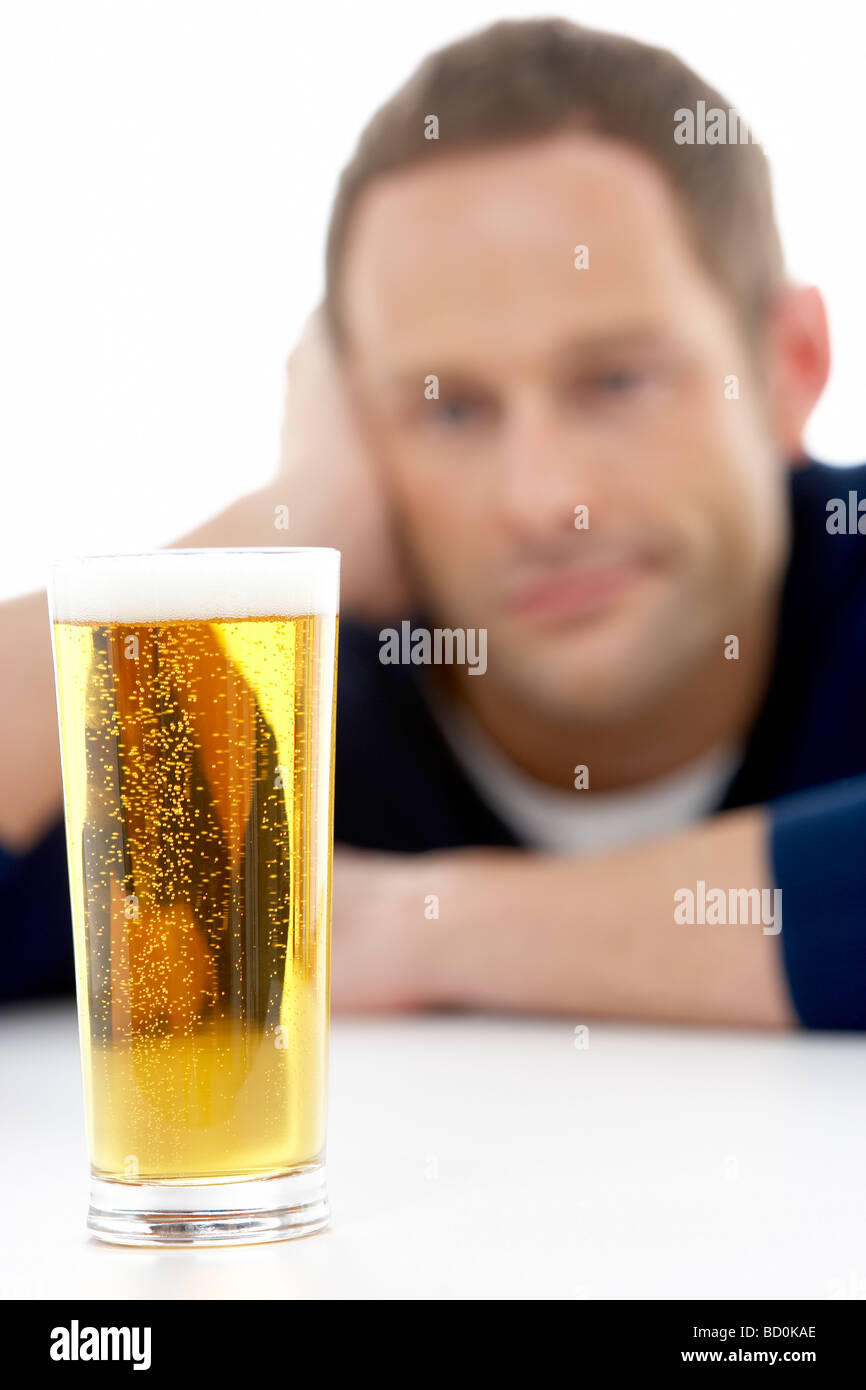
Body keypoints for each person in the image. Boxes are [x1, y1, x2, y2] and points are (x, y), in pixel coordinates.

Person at [2, 17, 865, 1027]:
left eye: (616, 381)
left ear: (789, 363)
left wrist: (394, 926)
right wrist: (284, 525)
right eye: (449, 407)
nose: (542, 501)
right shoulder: (297, 713)